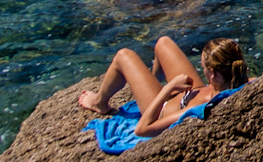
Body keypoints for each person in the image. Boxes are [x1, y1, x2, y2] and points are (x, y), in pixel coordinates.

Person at [77, 37, 249, 141]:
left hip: (161, 108)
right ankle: (148, 83)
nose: (201, 69)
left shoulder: (198, 108)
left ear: (213, 74)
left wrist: (168, 88)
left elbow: (142, 129)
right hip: (193, 90)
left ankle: (99, 102)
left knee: (124, 55)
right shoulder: (238, 82)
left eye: (203, 67)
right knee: (163, 43)